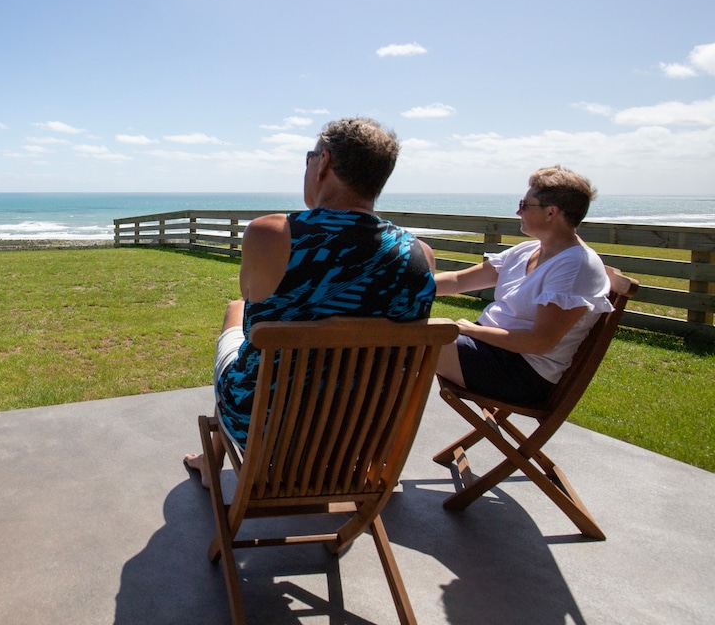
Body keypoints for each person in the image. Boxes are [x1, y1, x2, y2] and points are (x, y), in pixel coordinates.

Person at [184, 117, 437, 487]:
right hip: (361, 435)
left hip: (265, 428)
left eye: (309, 158)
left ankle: (212, 465)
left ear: (324, 163)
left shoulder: (270, 235)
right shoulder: (421, 256)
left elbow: (250, 295)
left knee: (236, 312)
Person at [433, 166, 613, 406]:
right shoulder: (529, 250)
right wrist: (401, 287)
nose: (518, 211)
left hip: (521, 372)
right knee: (402, 337)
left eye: (525, 204)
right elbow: (459, 281)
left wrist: (469, 330)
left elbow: (539, 342)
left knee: (407, 341)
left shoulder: (575, 266)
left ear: (551, 212)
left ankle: (379, 434)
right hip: (490, 351)